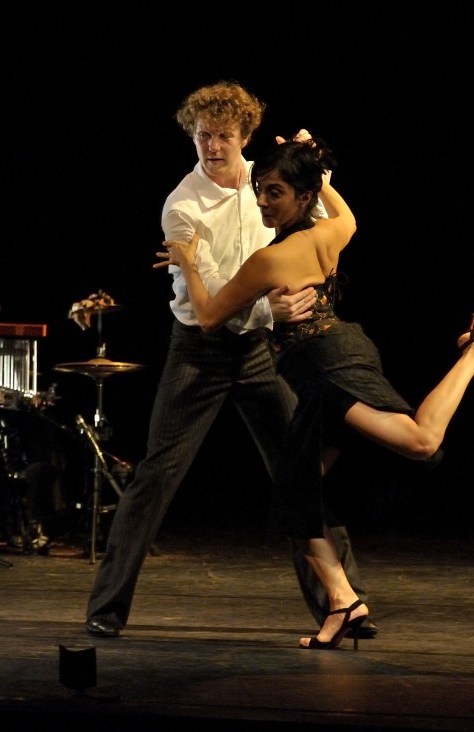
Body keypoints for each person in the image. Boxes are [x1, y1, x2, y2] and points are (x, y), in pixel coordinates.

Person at [160, 136, 474, 649]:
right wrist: (318, 173)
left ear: (302, 197)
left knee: (421, 442)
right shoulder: (330, 232)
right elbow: (348, 217)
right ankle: (343, 601)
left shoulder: (271, 259)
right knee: (294, 496)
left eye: (274, 192)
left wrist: (187, 260)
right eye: (260, 190)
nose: (262, 201)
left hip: (327, 371)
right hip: (337, 355)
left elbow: (206, 317)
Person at [81, 81, 377, 639]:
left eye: (223, 135)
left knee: (299, 474)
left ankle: (344, 605)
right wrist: (269, 304)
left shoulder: (270, 182)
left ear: (245, 136)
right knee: (156, 475)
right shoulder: (182, 205)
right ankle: (107, 608)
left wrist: (316, 169)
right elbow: (211, 295)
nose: (213, 146)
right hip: (201, 349)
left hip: (262, 350)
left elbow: (319, 223)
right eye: (203, 135)